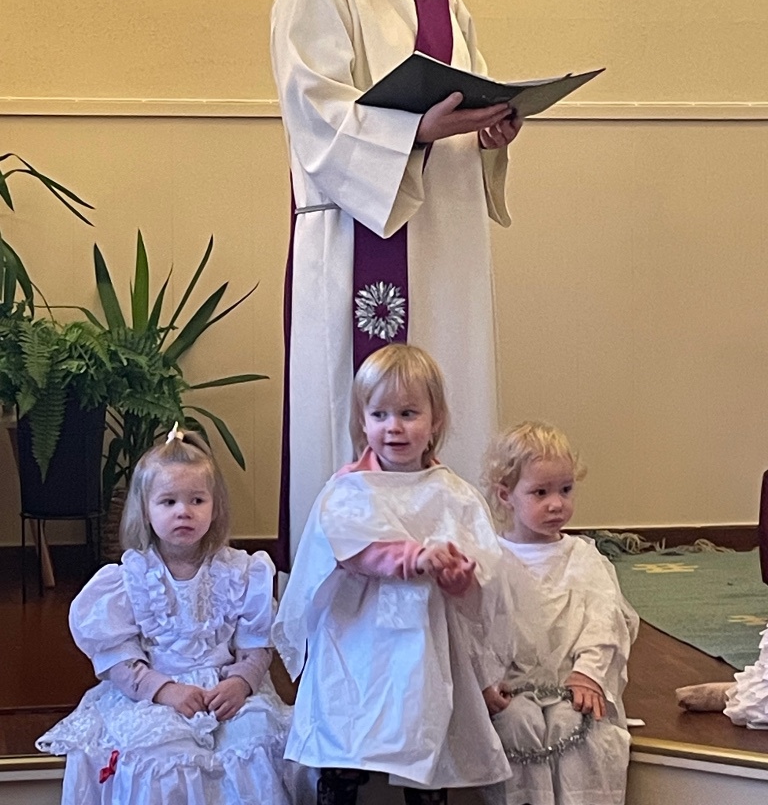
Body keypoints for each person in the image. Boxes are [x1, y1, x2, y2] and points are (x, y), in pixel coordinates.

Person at [271, 0, 524, 565]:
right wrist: (414, 131)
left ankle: (457, 575)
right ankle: (353, 578)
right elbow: (316, 116)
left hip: (446, 229)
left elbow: (467, 90)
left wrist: (490, 129)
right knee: (365, 401)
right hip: (363, 232)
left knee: (451, 382)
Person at [272, 343, 512, 804]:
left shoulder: (453, 494)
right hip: (355, 640)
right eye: (379, 414)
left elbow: (481, 570)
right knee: (345, 735)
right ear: (362, 422)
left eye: (408, 413)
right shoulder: (348, 489)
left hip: (423, 644)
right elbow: (351, 548)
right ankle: (338, 787)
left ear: (435, 420)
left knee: (424, 739)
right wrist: (415, 558)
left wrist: (456, 574)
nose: (393, 427)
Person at [36, 425, 295, 805]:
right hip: (156, 693)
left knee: (255, 740)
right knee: (158, 753)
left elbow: (256, 646)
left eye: (197, 500)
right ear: (146, 510)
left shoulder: (242, 572)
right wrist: (164, 690)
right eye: (168, 502)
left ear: (215, 507)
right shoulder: (128, 580)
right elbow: (118, 659)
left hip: (224, 690)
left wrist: (242, 682)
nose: (183, 512)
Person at [479, 421, 639, 805]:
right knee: (516, 723)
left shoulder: (584, 558)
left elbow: (605, 622)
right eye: (541, 492)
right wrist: (487, 679)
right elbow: (478, 627)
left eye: (565, 490)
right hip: (511, 686)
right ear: (506, 495)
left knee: (576, 723)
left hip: (572, 684)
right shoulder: (490, 559)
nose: (557, 503)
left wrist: (588, 673)